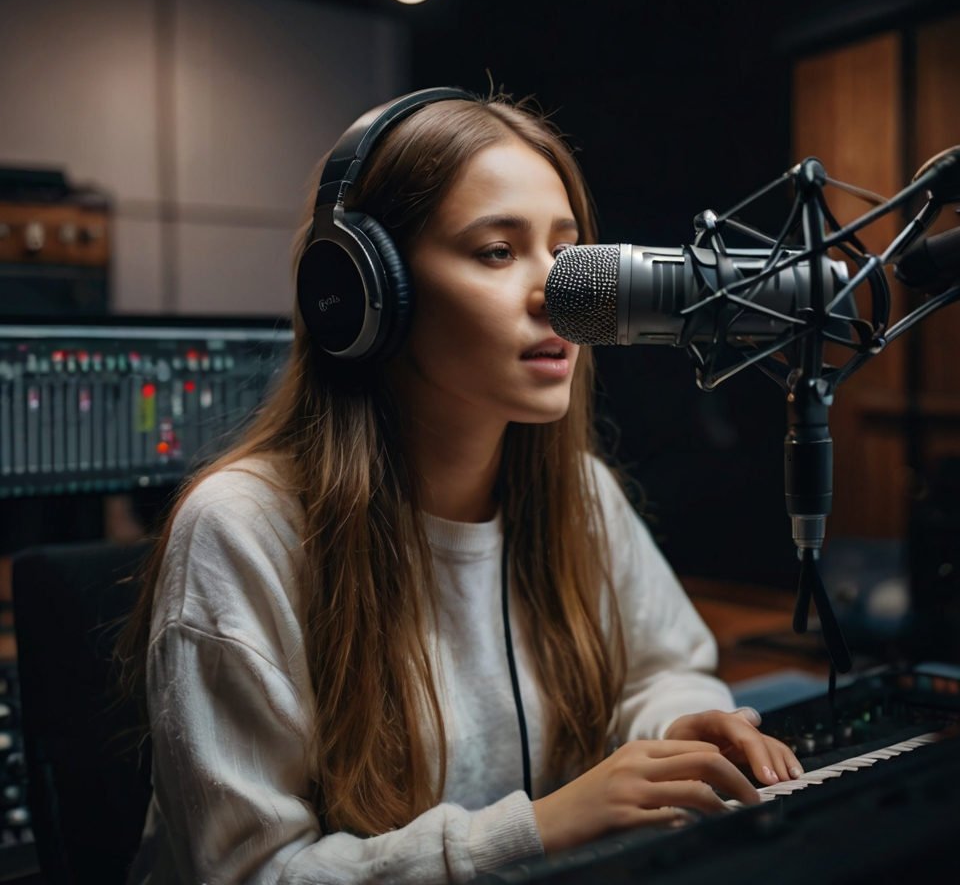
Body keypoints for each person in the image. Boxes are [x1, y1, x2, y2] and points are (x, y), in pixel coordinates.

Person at [118, 91, 802, 885]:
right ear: (366, 293)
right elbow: (253, 874)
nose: (567, 296)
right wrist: (538, 829)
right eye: (497, 252)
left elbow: (660, 669)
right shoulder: (242, 530)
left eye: (568, 252)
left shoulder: (577, 492)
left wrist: (676, 725)